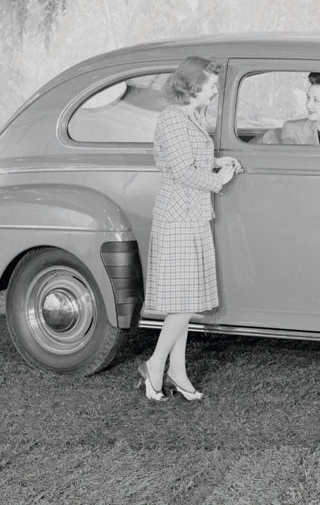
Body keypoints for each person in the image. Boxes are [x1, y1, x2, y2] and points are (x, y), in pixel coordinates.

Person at [138, 56, 241, 402]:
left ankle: (177, 371)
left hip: (192, 214)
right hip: (178, 215)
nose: (214, 92)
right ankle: (155, 364)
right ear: (194, 86)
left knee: (184, 300)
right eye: (211, 86)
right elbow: (182, 171)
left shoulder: (191, 116)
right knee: (183, 301)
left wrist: (217, 161)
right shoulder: (171, 119)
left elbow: (190, 157)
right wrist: (219, 179)